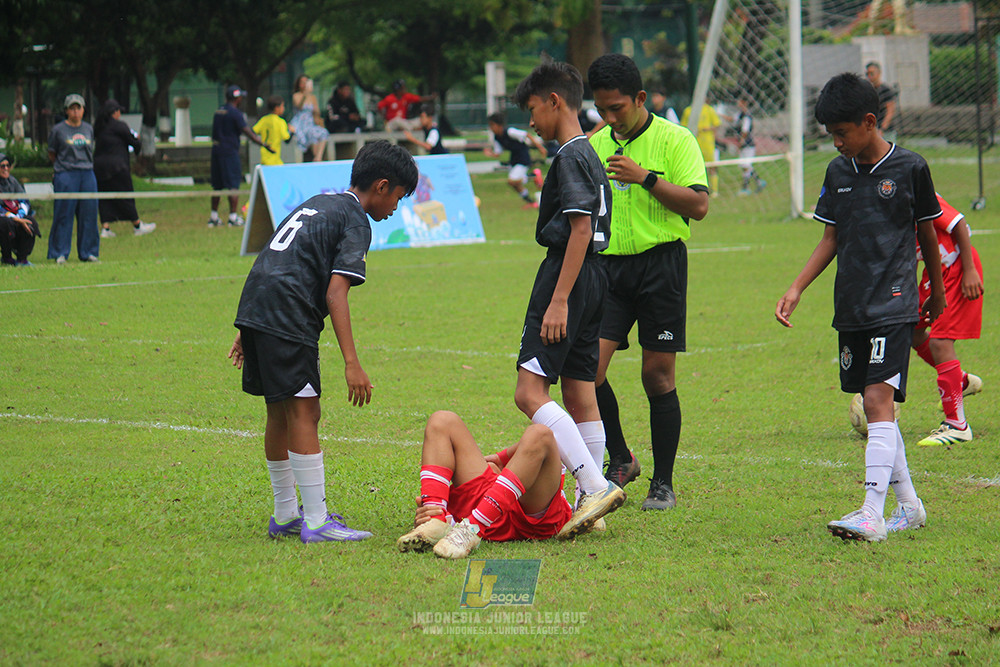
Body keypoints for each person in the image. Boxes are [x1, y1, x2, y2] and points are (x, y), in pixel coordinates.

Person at [775, 72, 946, 542]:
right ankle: (908, 506)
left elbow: (928, 231)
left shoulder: (909, 167)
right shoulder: (837, 174)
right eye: (830, 134)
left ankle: (872, 512)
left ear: (870, 122)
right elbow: (830, 237)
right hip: (851, 304)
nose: (836, 142)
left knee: (876, 399)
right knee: (878, 409)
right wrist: (797, 287)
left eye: (842, 133)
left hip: (894, 301)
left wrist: (936, 290)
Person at [228, 140, 418, 544]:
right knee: (304, 412)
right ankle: (315, 521)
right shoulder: (356, 220)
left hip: (259, 306)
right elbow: (335, 294)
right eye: (398, 198)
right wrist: (352, 363)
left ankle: (284, 514)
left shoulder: (317, 203)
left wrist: (248, 326)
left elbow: (272, 258)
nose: (395, 208)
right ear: (382, 186)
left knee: (279, 414)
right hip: (287, 316)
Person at [588, 54, 710, 510]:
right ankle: (621, 458)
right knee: (588, 371)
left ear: (640, 98)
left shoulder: (676, 140)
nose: (610, 117)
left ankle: (663, 482)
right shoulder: (596, 145)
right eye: (602, 109)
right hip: (609, 271)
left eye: (618, 107)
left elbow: (698, 207)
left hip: (661, 266)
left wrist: (646, 178)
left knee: (656, 375)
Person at [509, 60, 625, 541]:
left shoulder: (570, 156)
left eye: (533, 109)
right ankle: (588, 506)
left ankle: (593, 485)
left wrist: (558, 300)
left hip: (569, 275)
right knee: (580, 390)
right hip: (595, 277)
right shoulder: (591, 153)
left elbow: (579, 227)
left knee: (529, 391)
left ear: (555, 101)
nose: (531, 121)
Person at [396, 411, 573, 559]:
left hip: (529, 516)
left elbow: (545, 438)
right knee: (442, 419)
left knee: (541, 433)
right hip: (488, 502)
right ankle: (436, 520)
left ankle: (471, 530)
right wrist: (500, 458)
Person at [912, 193, 984, 446]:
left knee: (940, 342)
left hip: (955, 267)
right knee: (912, 329)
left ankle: (957, 424)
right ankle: (960, 381)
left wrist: (970, 270)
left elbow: (958, 224)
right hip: (933, 271)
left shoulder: (914, 188)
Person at [208, 85, 273, 227]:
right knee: (233, 185)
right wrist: (263, 144)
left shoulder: (219, 110)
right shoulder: (235, 113)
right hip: (230, 152)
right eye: (241, 97)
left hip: (216, 150)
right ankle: (232, 217)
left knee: (217, 185)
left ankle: (213, 217)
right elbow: (247, 131)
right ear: (237, 98)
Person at [47, 93, 99, 263]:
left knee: (89, 213)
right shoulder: (58, 130)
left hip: (87, 173)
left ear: (83, 110)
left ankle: (88, 252)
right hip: (66, 174)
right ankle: (59, 252)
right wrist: (62, 170)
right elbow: (52, 153)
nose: (76, 112)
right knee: (64, 213)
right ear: (67, 111)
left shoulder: (88, 129)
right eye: (72, 108)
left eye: (79, 108)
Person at [93, 99, 156, 238]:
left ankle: (106, 228)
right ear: (114, 113)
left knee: (104, 197)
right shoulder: (120, 126)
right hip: (117, 167)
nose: (120, 114)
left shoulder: (99, 127)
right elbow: (134, 143)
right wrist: (138, 140)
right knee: (125, 195)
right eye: (118, 111)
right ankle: (137, 225)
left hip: (99, 168)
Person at [485, 112, 546, 208]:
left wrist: (540, 148)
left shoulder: (510, 131)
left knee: (512, 181)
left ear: (498, 125)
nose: (491, 128)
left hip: (523, 158)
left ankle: (533, 176)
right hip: (514, 160)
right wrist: (490, 154)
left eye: (492, 125)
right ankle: (530, 202)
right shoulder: (497, 138)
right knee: (514, 184)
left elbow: (527, 135)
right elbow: (498, 153)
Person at [0, 154, 40, 266]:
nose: (6, 168)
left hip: (17, 215)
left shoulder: (13, 182)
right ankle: (7, 258)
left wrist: (21, 215)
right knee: (5, 223)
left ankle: (22, 259)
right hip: (4, 218)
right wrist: (15, 218)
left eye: (8, 165)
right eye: (2, 166)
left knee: (30, 221)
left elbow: (24, 200)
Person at [681, 101, 721, 197]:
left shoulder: (709, 109)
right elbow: (683, 126)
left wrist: (708, 129)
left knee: (712, 167)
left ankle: (714, 191)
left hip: (708, 144)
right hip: (694, 143)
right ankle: (695, 189)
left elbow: (717, 124)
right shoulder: (688, 111)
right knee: (694, 168)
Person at [731, 96, 766, 195]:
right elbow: (732, 119)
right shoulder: (740, 115)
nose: (738, 103)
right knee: (745, 166)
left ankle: (750, 185)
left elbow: (745, 131)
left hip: (748, 144)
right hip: (743, 144)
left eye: (740, 102)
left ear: (744, 103)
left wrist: (741, 142)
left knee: (746, 165)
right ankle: (755, 184)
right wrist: (719, 114)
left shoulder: (747, 116)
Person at [290, 75, 329, 162]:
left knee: (322, 133)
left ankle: (318, 157)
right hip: (300, 123)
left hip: (310, 122)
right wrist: (305, 94)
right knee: (310, 135)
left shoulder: (313, 97)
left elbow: (316, 112)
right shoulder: (296, 95)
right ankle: (316, 158)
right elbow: (299, 106)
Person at [253, 95, 295, 166]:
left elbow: (253, 131)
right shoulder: (280, 122)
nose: (283, 108)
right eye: (282, 106)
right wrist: (292, 132)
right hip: (275, 160)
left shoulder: (264, 120)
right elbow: (286, 139)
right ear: (276, 108)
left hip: (264, 159)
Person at [865, 62, 897, 140]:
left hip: (886, 131)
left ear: (879, 73)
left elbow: (890, 111)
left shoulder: (886, 90)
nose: (870, 76)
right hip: (873, 129)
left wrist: (882, 128)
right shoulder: (869, 91)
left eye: (872, 73)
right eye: (867, 74)